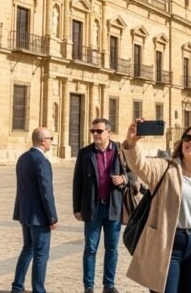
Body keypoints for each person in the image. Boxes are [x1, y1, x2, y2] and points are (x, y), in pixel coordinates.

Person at [122, 120, 191, 293]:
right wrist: (132, 142)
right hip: (169, 243)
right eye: (187, 138)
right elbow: (139, 165)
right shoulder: (166, 168)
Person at [73, 118, 135, 293]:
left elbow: (134, 174)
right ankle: (89, 286)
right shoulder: (85, 153)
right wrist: (77, 208)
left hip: (113, 207)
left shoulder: (120, 151)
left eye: (99, 131)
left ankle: (109, 285)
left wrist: (124, 179)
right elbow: (78, 182)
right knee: (90, 248)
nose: (95, 134)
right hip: (92, 208)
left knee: (112, 249)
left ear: (109, 132)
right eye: (93, 131)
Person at [11, 127, 59, 293]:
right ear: (42, 141)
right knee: (40, 254)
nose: (51, 141)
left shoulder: (23, 158)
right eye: (50, 138)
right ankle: (38, 290)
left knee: (27, 249)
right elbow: (46, 192)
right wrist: (52, 217)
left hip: (25, 213)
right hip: (39, 217)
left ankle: (17, 286)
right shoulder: (42, 161)